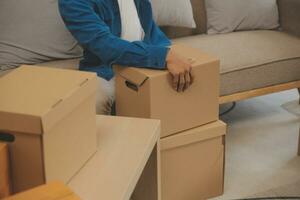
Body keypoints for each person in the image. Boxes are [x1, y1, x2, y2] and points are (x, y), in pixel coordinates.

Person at [59, 0, 193, 114]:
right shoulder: (72, 2)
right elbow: (106, 46)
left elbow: (149, 30)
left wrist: (170, 53)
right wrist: (162, 56)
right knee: (95, 101)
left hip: (145, 65)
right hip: (106, 71)